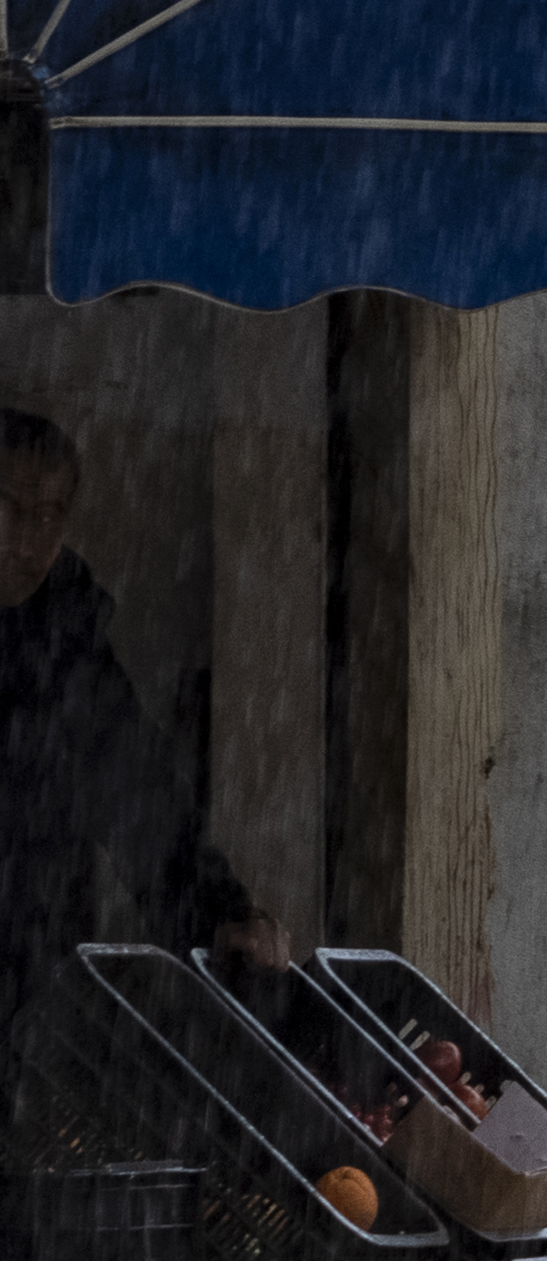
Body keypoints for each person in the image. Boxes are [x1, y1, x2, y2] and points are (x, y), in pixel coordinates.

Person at [0, 408, 284, 1020]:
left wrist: (220, 914)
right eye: (11, 509)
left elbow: (142, 800)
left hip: (34, 991)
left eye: (48, 516)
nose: (25, 543)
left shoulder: (67, 644)